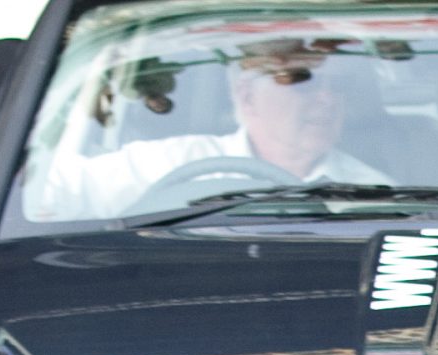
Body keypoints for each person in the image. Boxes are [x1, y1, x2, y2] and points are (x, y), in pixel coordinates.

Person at [24, 42, 388, 222]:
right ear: (246, 96)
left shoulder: (375, 193)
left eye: (337, 86)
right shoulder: (168, 163)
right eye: (301, 80)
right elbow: (43, 196)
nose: (327, 99)